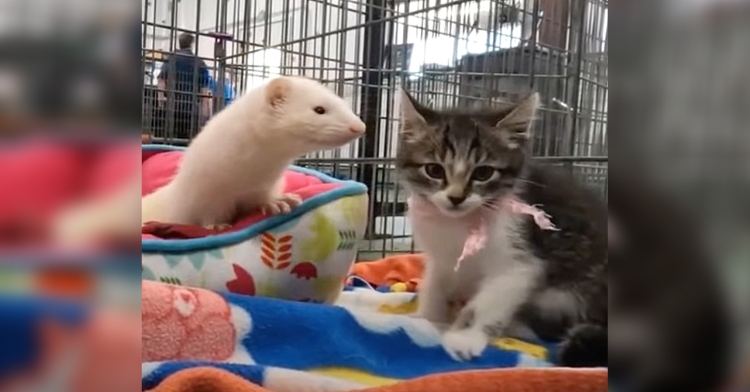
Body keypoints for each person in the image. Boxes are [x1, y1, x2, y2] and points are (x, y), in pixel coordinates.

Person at [157, 33, 212, 140]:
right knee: (188, 140)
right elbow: (204, 92)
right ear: (192, 44)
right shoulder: (200, 63)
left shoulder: (171, 59)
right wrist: (204, 114)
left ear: (179, 43)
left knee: (169, 138)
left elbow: (161, 79)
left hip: (173, 106)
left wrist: (161, 98)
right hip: (191, 109)